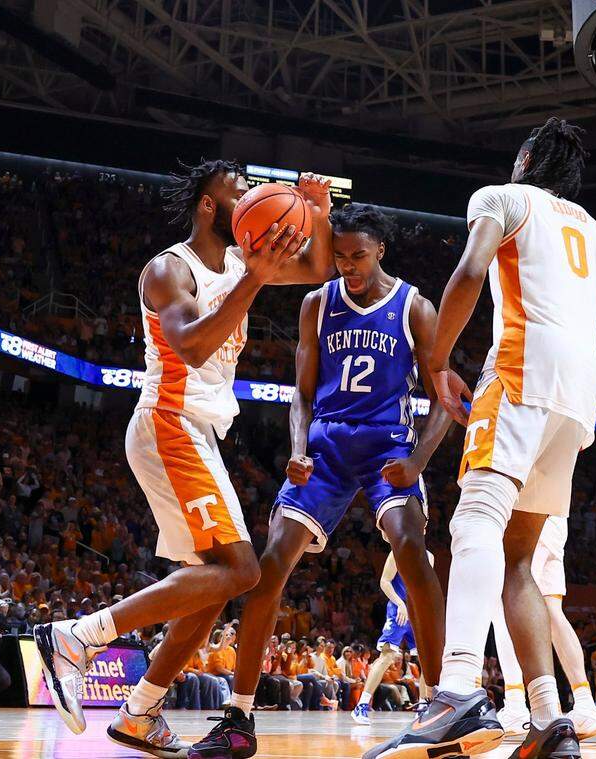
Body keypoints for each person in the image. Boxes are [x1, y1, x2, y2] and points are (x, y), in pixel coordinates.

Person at [367, 116, 596, 759]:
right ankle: (550, 722)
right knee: (520, 559)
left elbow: (471, 272)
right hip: (579, 394)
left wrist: (437, 361)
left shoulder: (501, 198)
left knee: (474, 519)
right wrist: (581, 337)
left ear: (527, 159)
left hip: (521, 370)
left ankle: (458, 691)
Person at [34, 161, 334, 756]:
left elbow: (320, 268)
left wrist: (319, 216)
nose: (249, 196)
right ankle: (77, 636)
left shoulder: (235, 266)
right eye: (237, 189)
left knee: (215, 585)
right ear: (207, 204)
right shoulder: (170, 268)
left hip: (198, 430)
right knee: (245, 570)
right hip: (169, 422)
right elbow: (192, 348)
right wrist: (255, 278)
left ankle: (140, 711)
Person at [192, 203, 451, 756]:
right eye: (339, 257)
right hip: (328, 446)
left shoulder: (414, 306)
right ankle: (238, 717)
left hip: (387, 443)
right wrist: (298, 448)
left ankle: (437, 702)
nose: (348, 266)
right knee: (269, 565)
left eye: (358, 256)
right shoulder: (317, 303)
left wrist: (419, 461)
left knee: (411, 546)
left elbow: (446, 399)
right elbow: (302, 394)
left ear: (380, 249)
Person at [492, 517, 596, 740]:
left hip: (529, 515)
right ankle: (585, 705)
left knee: (508, 602)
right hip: (554, 516)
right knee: (553, 612)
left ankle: (515, 704)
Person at [353, 551, 436, 726]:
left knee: (425, 659)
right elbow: (384, 581)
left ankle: (422, 707)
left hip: (418, 612)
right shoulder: (398, 551)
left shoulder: (429, 556)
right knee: (387, 656)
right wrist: (400, 604)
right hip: (399, 610)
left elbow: (425, 587)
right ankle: (361, 705)